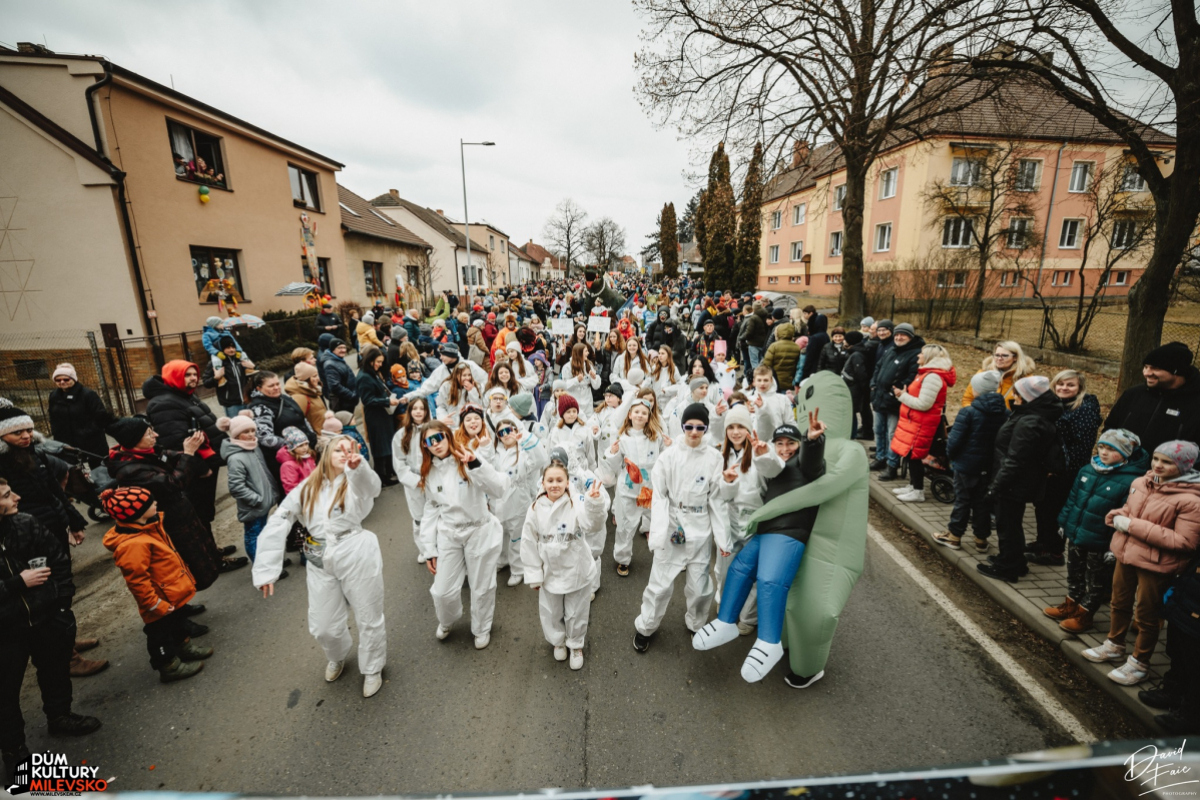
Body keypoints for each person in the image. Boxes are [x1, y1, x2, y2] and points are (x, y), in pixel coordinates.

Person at [693, 415, 826, 682]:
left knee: (770, 581)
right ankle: (726, 622)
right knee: (739, 569)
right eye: (780, 443)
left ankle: (768, 642)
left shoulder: (806, 464)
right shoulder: (775, 466)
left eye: (791, 443)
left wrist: (814, 440)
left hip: (789, 532)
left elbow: (813, 461)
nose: (786, 448)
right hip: (766, 530)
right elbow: (763, 469)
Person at [254, 436, 387, 698]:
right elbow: (281, 518)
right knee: (323, 624)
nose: (344, 454)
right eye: (338, 449)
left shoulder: (355, 480)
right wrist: (266, 568)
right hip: (318, 557)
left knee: (368, 614)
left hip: (355, 550)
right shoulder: (308, 486)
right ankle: (337, 654)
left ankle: (372, 666)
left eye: (350, 450)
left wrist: (359, 467)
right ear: (326, 454)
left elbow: (372, 489)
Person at [0, 478, 100, 783]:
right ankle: (15, 752)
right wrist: (17, 583)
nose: (17, 496)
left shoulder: (25, 523)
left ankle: (60, 717)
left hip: (46, 616)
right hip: (5, 629)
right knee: (5, 695)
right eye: (6, 494)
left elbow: (58, 560)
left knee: (55, 669)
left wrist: (61, 605)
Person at [1083, 441, 1200, 686]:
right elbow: (1130, 510)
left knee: (1147, 614)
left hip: (1157, 565)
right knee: (1119, 602)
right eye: (1156, 458)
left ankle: (1140, 662)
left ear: (1185, 465)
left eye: (1167, 462)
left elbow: (1185, 542)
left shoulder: (1192, 500)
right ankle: (1114, 644)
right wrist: (1117, 516)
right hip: (1126, 554)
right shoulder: (1140, 483)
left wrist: (1131, 525)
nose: (1157, 465)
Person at [106, 415, 243, 591]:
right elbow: (173, 483)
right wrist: (189, 454)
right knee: (181, 560)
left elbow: (172, 456)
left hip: (180, 512)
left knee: (199, 547)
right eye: (149, 433)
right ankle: (178, 603)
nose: (156, 435)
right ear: (135, 440)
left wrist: (194, 450)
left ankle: (212, 566)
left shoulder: (148, 452)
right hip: (167, 519)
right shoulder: (130, 469)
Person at [633, 403, 729, 652]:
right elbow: (659, 497)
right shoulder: (669, 456)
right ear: (682, 426)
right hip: (673, 526)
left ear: (706, 428)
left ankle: (696, 623)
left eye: (700, 427)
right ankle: (646, 626)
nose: (694, 432)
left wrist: (723, 538)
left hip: (700, 529)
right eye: (689, 426)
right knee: (660, 584)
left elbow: (717, 501)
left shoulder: (714, 458)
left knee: (700, 586)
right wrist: (657, 532)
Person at [100, 487, 212, 683]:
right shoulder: (131, 545)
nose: (155, 503)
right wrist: (153, 604)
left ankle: (184, 647)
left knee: (178, 622)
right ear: (136, 513)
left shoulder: (150, 526)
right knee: (160, 634)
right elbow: (137, 581)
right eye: (149, 503)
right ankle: (168, 665)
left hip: (171, 593)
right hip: (157, 601)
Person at [1042, 429, 1147, 634]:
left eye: (1111, 449)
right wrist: (1064, 522)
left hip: (1100, 541)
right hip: (1077, 534)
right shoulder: (1087, 470)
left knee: (1096, 581)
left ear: (1126, 452)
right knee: (1075, 573)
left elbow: (1126, 517)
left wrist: (1112, 547)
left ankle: (1085, 614)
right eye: (1101, 447)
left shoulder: (1131, 482)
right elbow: (1072, 499)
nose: (1104, 452)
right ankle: (1071, 603)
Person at [416, 421, 509, 649]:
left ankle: (481, 627)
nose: (436, 444)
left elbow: (498, 489)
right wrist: (428, 548)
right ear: (425, 446)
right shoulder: (429, 472)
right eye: (430, 441)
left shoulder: (468, 458)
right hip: (449, 533)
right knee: (442, 591)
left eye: (440, 437)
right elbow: (431, 508)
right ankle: (447, 619)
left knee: (482, 585)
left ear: (448, 437)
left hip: (479, 530)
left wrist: (476, 463)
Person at [977, 377, 1064, 583]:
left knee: (1007, 525)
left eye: (1017, 393)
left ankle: (1008, 568)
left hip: (1013, 483)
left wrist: (995, 488)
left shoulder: (1030, 422)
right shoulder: (1032, 414)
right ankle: (1014, 560)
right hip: (1018, 481)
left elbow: (1015, 460)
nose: (1013, 396)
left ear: (1028, 397)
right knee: (1012, 524)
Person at [521, 458, 605, 670]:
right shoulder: (535, 508)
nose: (555, 484)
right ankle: (558, 641)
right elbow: (528, 542)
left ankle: (576, 644)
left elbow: (592, 525)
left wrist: (594, 503)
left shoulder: (576, 501)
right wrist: (534, 574)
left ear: (567, 482)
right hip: (550, 570)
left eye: (560, 480)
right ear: (543, 483)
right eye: (550, 480)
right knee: (551, 610)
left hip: (576, 567)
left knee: (577, 610)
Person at [143, 360, 227, 537]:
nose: (194, 378)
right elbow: (175, 444)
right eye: (187, 375)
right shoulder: (164, 404)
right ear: (174, 377)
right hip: (194, 469)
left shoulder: (184, 395)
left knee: (204, 512)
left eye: (195, 374)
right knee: (197, 514)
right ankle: (211, 560)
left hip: (206, 461)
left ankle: (213, 552)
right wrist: (202, 468)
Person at [1028, 370, 1103, 566]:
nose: (1064, 388)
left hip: (1064, 472)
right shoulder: (1055, 403)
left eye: (1070, 385)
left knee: (1055, 511)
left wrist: (1059, 469)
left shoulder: (1083, 410)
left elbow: (1081, 447)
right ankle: (1043, 541)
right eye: (1060, 384)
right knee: (1042, 508)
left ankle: (1054, 552)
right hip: (1047, 468)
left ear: (1080, 388)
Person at [935, 370, 1007, 553]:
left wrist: (952, 457)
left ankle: (954, 536)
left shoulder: (968, 412)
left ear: (976, 390)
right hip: (989, 466)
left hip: (967, 466)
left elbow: (955, 441)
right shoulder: (1005, 412)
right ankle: (981, 539)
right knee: (983, 503)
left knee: (963, 501)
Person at [602, 394, 667, 577]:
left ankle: (663, 554)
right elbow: (613, 466)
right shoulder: (623, 438)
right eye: (636, 412)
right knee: (625, 526)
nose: (640, 415)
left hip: (649, 490)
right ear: (629, 414)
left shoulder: (656, 437)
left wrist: (669, 447)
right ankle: (623, 559)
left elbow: (665, 460)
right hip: (628, 491)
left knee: (658, 521)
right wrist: (613, 452)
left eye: (644, 413)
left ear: (649, 416)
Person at [713, 404, 761, 636]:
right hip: (730, 525)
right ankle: (726, 605)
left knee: (754, 575)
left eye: (740, 426)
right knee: (725, 570)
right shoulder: (720, 456)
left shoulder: (759, 456)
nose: (735, 432)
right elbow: (720, 497)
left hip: (755, 527)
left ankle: (748, 616)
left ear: (749, 429)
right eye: (730, 427)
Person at [485, 417, 548, 588]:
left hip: (517, 500)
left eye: (509, 430)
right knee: (500, 533)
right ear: (497, 436)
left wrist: (525, 438)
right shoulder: (494, 452)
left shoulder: (524, 451)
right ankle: (502, 560)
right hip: (497, 500)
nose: (506, 434)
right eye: (501, 432)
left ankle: (518, 569)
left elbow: (541, 459)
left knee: (516, 537)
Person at [888, 344, 956, 503]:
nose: (918, 356)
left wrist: (902, 396)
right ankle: (913, 485)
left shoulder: (932, 377)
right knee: (911, 455)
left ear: (930, 357)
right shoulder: (926, 374)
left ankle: (918, 491)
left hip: (922, 423)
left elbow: (924, 404)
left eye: (922, 354)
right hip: (916, 422)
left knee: (914, 456)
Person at [1104, 342, 1200, 454]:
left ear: (1176, 371)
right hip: (1121, 467)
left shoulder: (1195, 404)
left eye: (1155, 368)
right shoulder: (1133, 394)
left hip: (1168, 471)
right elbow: (1110, 428)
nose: (1146, 373)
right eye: (1145, 367)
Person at [221, 415, 281, 569]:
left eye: (252, 430)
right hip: (254, 504)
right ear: (235, 435)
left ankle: (269, 564)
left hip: (263, 502)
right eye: (245, 432)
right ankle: (263, 569)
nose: (251, 434)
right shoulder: (235, 457)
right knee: (253, 536)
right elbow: (236, 487)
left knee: (262, 533)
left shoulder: (254, 448)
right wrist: (257, 499)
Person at [869, 322, 923, 480]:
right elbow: (878, 367)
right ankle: (881, 457)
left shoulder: (915, 353)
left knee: (893, 434)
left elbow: (911, 377)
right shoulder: (892, 349)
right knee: (878, 430)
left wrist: (894, 392)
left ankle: (892, 464)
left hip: (895, 401)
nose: (899, 337)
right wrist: (873, 384)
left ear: (910, 337)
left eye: (903, 335)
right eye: (897, 334)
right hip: (879, 397)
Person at [47, 364, 113, 466]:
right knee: (72, 470)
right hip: (66, 440)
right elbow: (53, 416)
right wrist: (56, 431)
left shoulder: (88, 395)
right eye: (58, 380)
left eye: (66, 379)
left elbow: (101, 417)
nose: (62, 382)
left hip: (91, 440)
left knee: (99, 469)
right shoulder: (54, 396)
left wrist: (85, 432)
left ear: (73, 379)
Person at [392, 398, 432, 563]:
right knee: (419, 517)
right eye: (414, 408)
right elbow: (399, 462)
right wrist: (415, 480)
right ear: (409, 411)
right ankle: (424, 549)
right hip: (414, 482)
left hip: (432, 478)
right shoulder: (401, 435)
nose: (418, 412)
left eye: (421, 408)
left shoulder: (432, 429)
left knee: (437, 514)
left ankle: (439, 546)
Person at [960, 340, 1036, 408]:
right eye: (997, 355)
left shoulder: (1026, 380)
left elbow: (1030, 408)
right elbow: (967, 399)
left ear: (1015, 357)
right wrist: (976, 416)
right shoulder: (983, 374)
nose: (999, 358)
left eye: (1005, 355)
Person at [201, 338, 251, 417]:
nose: (231, 350)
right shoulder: (215, 363)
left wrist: (255, 367)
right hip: (232, 404)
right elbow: (206, 383)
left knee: (251, 427)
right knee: (236, 427)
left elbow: (255, 377)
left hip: (247, 401)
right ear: (221, 349)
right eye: (228, 348)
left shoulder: (240, 359)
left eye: (233, 347)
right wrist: (216, 378)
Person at [840, 331, 872, 439]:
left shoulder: (856, 355)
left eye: (845, 339)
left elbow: (860, 374)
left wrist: (864, 391)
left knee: (851, 413)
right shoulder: (855, 352)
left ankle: (851, 435)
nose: (843, 341)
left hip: (854, 389)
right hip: (853, 388)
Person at [285, 361, 328, 434]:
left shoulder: (313, 391)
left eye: (317, 375)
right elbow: (298, 422)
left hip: (326, 433)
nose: (318, 379)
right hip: (319, 437)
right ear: (306, 379)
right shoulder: (300, 397)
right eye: (314, 376)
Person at [560, 343, 601, 418]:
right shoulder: (567, 367)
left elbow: (596, 386)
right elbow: (565, 385)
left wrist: (594, 378)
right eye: (586, 351)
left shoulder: (589, 365)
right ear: (579, 353)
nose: (588, 353)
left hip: (587, 399)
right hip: (574, 399)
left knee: (588, 422)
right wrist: (576, 380)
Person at [760, 323, 800, 393]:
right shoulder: (796, 347)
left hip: (775, 379)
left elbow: (767, 364)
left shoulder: (774, 346)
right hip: (788, 380)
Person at [323, 340, 358, 414]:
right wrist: (351, 395)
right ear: (333, 349)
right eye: (339, 348)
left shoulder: (338, 359)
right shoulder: (330, 365)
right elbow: (334, 386)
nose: (343, 350)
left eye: (344, 347)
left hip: (347, 400)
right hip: (342, 402)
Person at [798, 307, 829, 383]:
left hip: (812, 369)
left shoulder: (814, 338)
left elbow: (809, 356)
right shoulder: (826, 335)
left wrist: (804, 373)